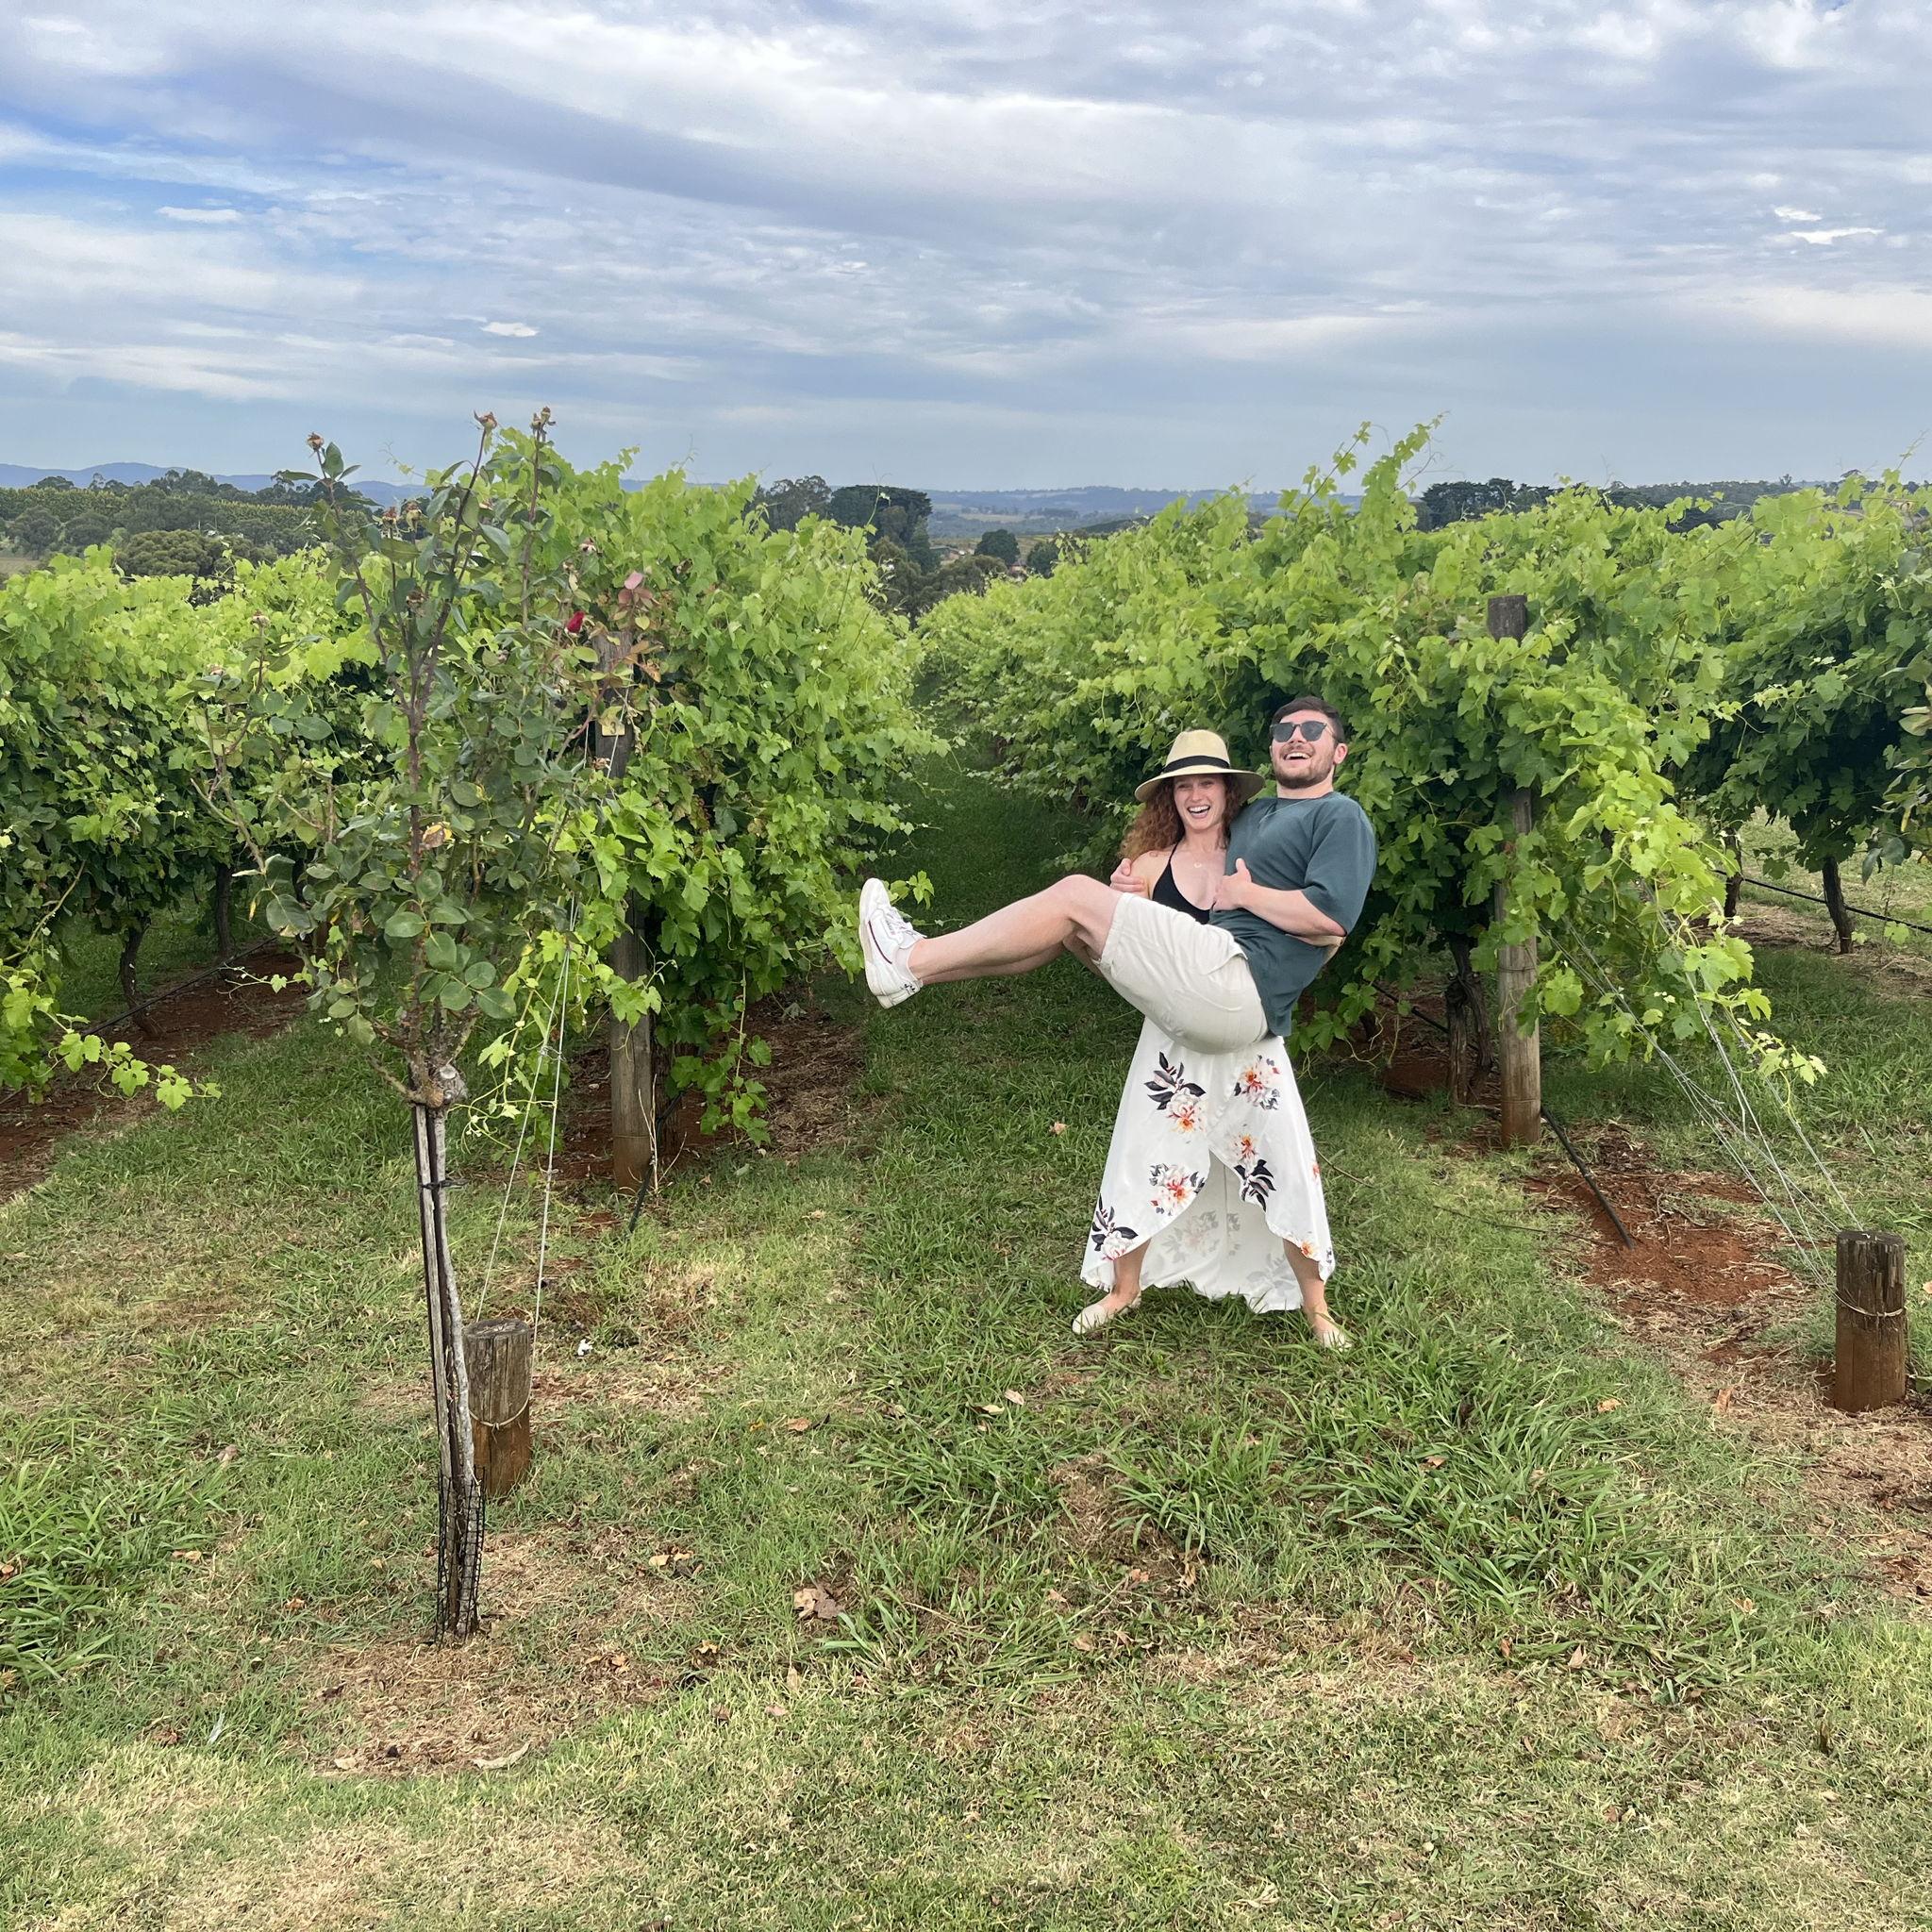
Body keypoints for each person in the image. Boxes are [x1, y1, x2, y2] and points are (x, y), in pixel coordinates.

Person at [859, 697, 1377, 1339]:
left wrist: (1251, 902)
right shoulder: (1261, 817)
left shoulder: (1339, 815)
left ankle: (909, 957)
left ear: (1338, 751)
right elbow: (1213, 888)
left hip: (1238, 989)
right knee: (1141, 1126)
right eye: (1284, 731)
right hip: (1207, 995)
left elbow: (1330, 920)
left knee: (1281, 1154)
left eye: (1312, 731)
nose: (1295, 739)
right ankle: (914, 973)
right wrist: (1128, 908)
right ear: (1269, 751)